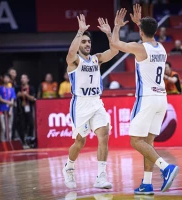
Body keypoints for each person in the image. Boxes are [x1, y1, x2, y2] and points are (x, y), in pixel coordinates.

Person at [111, 5, 179, 195]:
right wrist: (140, 23)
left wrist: (117, 26)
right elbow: (149, 34)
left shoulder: (140, 49)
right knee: (148, 143)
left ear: (140, 32)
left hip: (147, 98)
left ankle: (166, 167)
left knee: (135, 141)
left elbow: (115, 43)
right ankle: (147, 184)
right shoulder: (162, 48)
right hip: (162, 99)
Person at [62, 14, 118, 189]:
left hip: (96, 102)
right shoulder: (74, 62)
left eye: (89, 42)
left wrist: (109, 34)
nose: (87, 44)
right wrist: (80, 31)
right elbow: (70, 54)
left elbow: (115, 51)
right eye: (84, 42)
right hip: (80, 104)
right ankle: (69, 167)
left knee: (104, 137)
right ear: (79, 44)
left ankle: (101, 176)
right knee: (80, 142)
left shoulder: (96, 58)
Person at [15, 74, 36, 145]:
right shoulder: (18, 88)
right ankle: (22, 141)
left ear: (28, 80)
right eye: (22, 78)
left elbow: (33, 98)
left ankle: (30, 139)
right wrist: (20, 94)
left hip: (29, 108)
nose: (23, 79)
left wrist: (26, 95)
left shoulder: (31, 88)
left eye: (24, 78)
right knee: (22, 125)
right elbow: (16, 95)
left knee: (31, 124)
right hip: (21, 109)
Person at [0, 73, 16, 142]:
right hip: (1, 110)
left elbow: (12, 100)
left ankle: (9, 141)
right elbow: (0, 99)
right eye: (5, 78)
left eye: (7, 78)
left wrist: (11, 110)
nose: (6, 79)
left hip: (10, 110)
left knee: (10, 127)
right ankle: (3, 142)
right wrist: (8, 102)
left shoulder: (12, 89)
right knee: (3, 128)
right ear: (2, 79)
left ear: (9, 80)